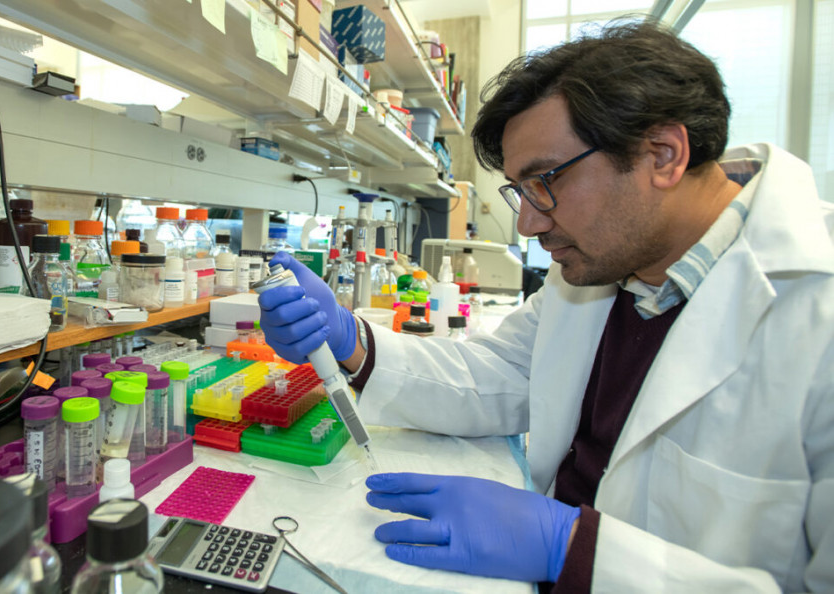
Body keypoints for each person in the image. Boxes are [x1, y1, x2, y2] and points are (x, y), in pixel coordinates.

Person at [257, 20, 834, 592]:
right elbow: (508, 372)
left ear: (662, 154)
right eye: (519, 190)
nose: (529, 224)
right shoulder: (600, 268)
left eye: (546, 181)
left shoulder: (816, 312)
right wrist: (351, 340)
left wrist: (577, 551)